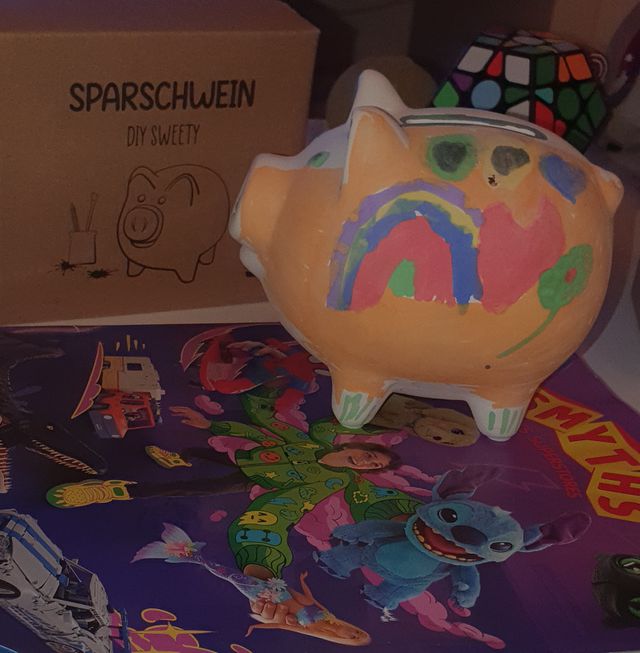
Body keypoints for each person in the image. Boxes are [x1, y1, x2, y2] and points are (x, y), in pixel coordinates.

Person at [48, 388, 422, 584]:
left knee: (195, 489)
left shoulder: (338, 479)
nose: (368, 462)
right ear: (354, 447)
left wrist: (262, 561)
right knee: (201, 453)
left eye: (374, 466)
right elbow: (267, 430)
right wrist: (209, 425)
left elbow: (288, 509)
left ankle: (113, 490)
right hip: (247, 456)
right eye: (371, 455)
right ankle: (179, 458)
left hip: (254, 479)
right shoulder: (317, 442)